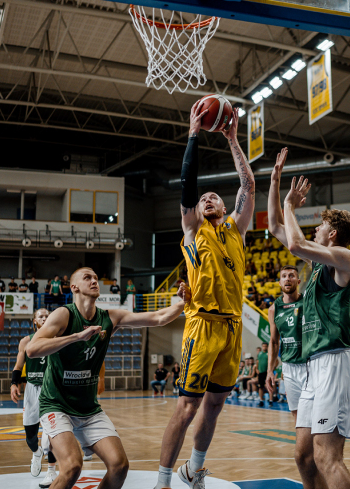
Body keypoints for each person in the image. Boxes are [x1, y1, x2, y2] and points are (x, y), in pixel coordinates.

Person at [155, 99, 253, 489]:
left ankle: (193, 471)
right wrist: (194, 135)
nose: (206, 198)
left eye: (214, 197)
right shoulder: (193, 228)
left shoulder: (236, 229)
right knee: (187, 406)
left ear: (225, 206)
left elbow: (248, 185)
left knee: (214, 405)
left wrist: (231, 138)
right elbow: (189, 183)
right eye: (202, 199)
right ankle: (163, 481)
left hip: (232, 327)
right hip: (203, 324)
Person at [26, 268, 188, 489]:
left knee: (119, 466)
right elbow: (32, 350)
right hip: (56, 404)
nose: (94, 280)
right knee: (73, 466)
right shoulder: (64, 315)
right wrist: (76, 337)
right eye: (87, 278)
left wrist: (182, 303)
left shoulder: (110, 317)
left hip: (88, 408)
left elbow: (158, 318)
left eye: (95, 277)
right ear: (74, 287)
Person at [273, 148, 350, 489]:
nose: (317, 228)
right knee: (304, 456)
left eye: (322, 225)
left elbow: (294, 242)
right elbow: (278, 229)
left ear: (333, 234)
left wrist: (291, 205)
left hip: (334, 361)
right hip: (313, 367)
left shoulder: (344, 257)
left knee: (327, 456)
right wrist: (275, 181)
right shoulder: (318, 266)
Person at [10, 308, 58, 485]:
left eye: (47, 316)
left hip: (51, 389)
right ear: (34, 321)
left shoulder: (58, 339)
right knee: (30, 437)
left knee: (52, 433)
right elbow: (18, 365)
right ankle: (36, 453)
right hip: (32, 389)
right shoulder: (25, 341)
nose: (45, 318)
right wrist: (14, 383)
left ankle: (51, 470)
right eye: (41, 316)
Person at [266, 266, 305, 421]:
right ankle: (305, 445)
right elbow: (274, 342)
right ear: (280, 282)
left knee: (314, 411)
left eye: (291, 275)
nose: (287, 278)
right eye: (284, 276)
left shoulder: (307, 302)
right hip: (288, 367)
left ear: (298, 280)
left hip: (310, 364)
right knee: (296, 413)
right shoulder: (273, 309)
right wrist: (270, 370)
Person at [255, 342, 270, 407]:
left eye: (265, 346)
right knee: (260, 387)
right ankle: (261, 400)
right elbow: (257, 361)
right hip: (260, 372)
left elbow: (276, 362)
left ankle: (271, 400)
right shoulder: (260, 354)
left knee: (269, 386)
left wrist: (270, 369)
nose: (264, 347)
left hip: (267, 372)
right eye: (263, 346)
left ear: (267, 347)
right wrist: (257, 369)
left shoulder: (269, 354)